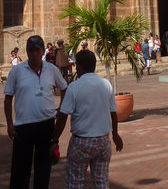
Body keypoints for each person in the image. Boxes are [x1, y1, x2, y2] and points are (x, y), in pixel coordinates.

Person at [51, 49, 122, 189]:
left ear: (80, 66)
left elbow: (63, 116)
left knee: (75, 182)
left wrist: (55, 140)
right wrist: (115, 134)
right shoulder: (106, 84)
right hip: (103, 141)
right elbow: (113, 112)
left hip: (82, 142)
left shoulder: (74, 87)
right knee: (101, 182)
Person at [4, 35, 68, 189]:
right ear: (27, 51)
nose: (34, 54)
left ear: (42, 51)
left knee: (43, 167)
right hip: (23, 126)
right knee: (20, 169)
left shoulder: (51, 69)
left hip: (46, 124)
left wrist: (61, 108)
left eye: (37, 50)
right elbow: (8, 99)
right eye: (31, 50)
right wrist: (10, 124)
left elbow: (65, 88)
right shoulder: (17, 71)